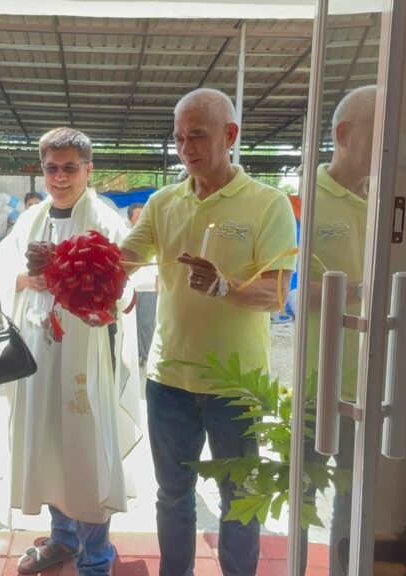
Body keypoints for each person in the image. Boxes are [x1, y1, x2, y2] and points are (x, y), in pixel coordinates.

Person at [120, 88, 298, 576]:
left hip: (237, 385)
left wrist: (225, 287)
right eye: (178, 138)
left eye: (197, 135)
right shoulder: (162, 201)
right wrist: (67, 264)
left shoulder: (269, 204)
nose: (185, 147)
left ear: (231, 135)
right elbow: (121, 261)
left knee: (239, 498)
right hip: (169, 380)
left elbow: (275, 293)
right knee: (173, 496)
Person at [0, 127, 142, 576]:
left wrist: (61, 272)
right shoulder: (31, 217)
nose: (60, 178)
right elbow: (4, 265)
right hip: (38, 353)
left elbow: (123, 288)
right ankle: (62, 538)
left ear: (88, 169)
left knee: (85, 452)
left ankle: (96, 557)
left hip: (84, 354)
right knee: (46, 446)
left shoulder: (106, 220)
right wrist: (24, 280)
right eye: (51, 168)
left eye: (70, 168)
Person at [301, 85, 376, 576]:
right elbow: (300, 291)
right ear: (344, 134)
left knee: (354, 499)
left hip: (369, 385)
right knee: (302, 496)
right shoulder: (309, 199)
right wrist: (360, 289)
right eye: (380, 132)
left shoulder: (389, 198)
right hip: (315, 383)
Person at [127, 203, 158, 367]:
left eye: (142, 216)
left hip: (149, 288)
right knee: (132, 325)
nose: (140, 219)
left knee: (147, 324)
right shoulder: (125, 236)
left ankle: (146, 355)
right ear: (130, 218)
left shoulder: (152, 235)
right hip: (130, 289)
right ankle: (136, 354)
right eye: (137, 216)